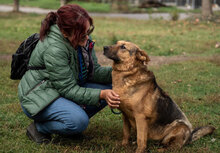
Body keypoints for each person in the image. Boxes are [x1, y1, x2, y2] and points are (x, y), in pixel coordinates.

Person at [18, 4, 120, 144]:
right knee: (78, 122)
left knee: (113, 87)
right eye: (82, 34)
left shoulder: (81, 37)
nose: (87, 37)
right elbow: (68, 89)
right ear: (65, 33)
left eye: (88, 31)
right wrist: (101, 94)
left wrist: (121, 72)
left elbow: (93, 71)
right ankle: (39, 128)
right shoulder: (55, 48)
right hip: (40, 95)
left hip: (62, 88)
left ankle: (69, 123)